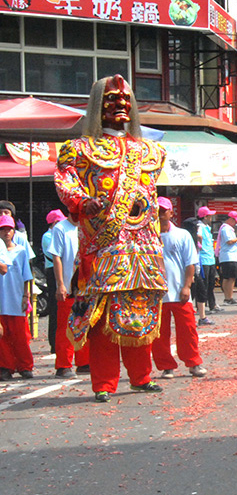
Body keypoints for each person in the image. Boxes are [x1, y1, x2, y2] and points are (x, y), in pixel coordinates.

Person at [54, 74, 166, 403]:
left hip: (144, 245)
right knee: (102, 317)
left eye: (125, 100)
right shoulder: (79, 149)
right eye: (111, 100)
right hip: (103, 245)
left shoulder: (150, 150)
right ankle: (104, 381)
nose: (120, 105)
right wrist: (80, 202)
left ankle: (141, 376)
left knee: (140, 311)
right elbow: (66, 181)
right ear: (96, 106)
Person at [151, 197, 207, 379]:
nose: (160, 214)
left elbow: (190, 262)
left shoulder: (182, 235)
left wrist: (186, 286)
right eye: (157, 210)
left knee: (188, 330)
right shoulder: (149, 236)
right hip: (157, 293)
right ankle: (166, 366)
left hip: (178, 291)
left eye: (163, 210)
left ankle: (193, 363)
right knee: (159, 333)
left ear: (171, 212)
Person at [50, 209, 90, 379]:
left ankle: (84, 362)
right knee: (65, 327)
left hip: (85, 286)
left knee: (85, 324)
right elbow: (56, 257)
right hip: (68, 285)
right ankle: (63, 365)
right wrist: (60, 284)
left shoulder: (87, 227)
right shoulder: (61, 228)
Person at [0, 213, 33, 380]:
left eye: (9, 229)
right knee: (2, 337)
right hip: (1, 301)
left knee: (19, 336)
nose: (6, 233)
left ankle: (25, 366)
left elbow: (27, 276)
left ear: (14, 232)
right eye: (3, 229)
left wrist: (26, 296)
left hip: (15, 298)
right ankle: (6, 367)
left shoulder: (20, 251)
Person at [42, 209, 66, 353]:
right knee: (55, 308)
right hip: (53, 272)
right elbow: (55, 254)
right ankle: (54, 343)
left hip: (63, 270)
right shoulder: (48, 236)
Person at [195, 205, 221, 324]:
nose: (212, 217)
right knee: (203, 284)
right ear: (205, 216)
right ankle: (202, 306)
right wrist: (199, 246)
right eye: (210, 215)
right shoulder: (199, 226)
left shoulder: (207, 227)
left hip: (210, 258)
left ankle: (212, 304)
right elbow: (198, 236)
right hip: (203, 258)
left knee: (211, 283)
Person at [217, 211, 237, 306]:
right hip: (228, 256)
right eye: (234, 221)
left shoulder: (227, 228)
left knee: (228, 277)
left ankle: (227, 298)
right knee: (230, 278)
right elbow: (229, 241)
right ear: (230, 219)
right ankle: (229, 298)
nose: (235, 223)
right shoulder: (226, 229)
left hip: (229, 256)